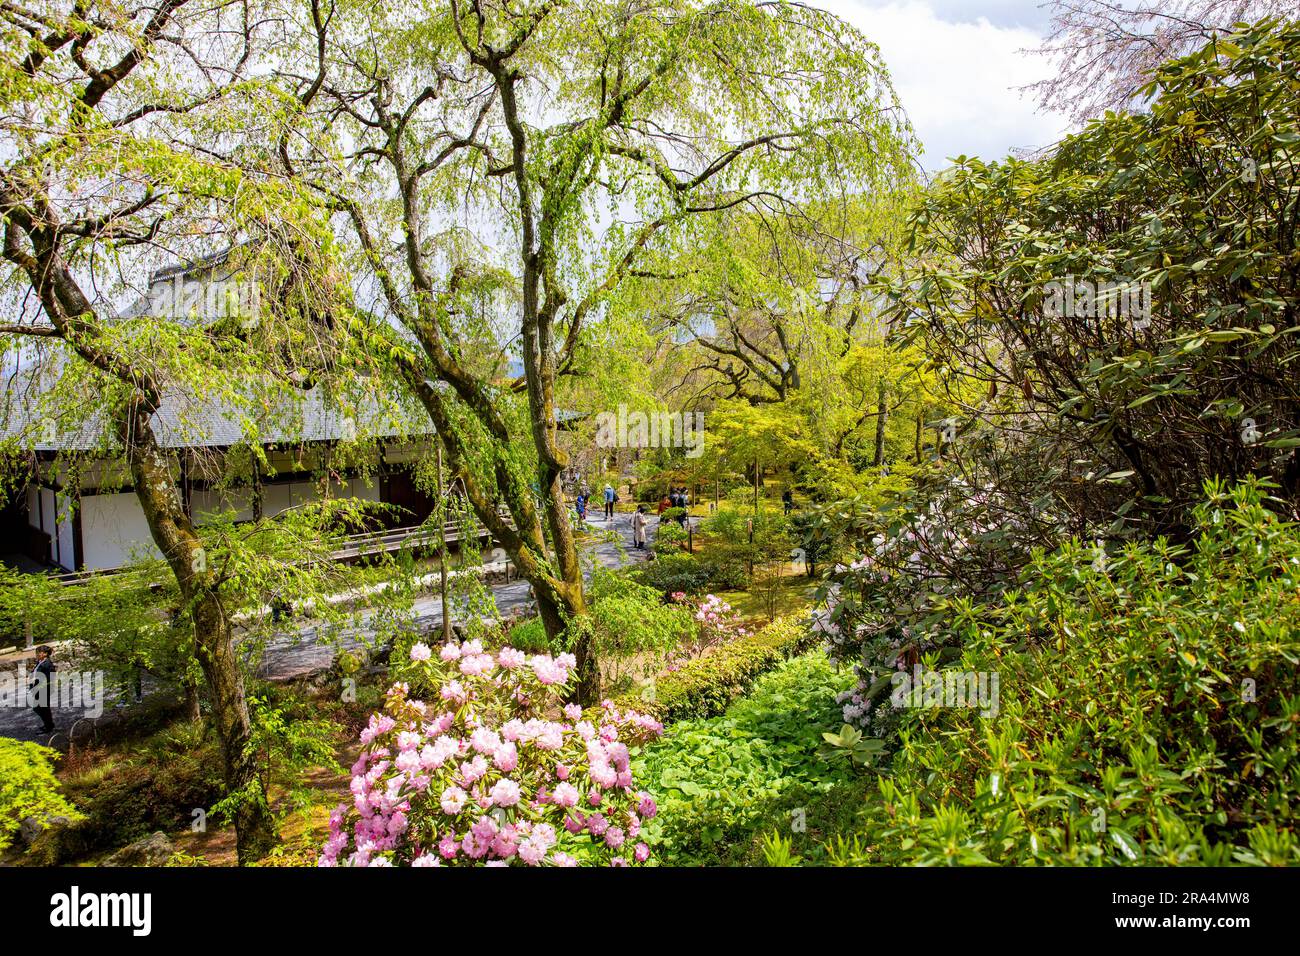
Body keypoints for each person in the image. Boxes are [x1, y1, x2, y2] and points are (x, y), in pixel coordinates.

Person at [30, 644, 55, 735]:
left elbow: (50, 678)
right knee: (39, 707)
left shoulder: (47, 664)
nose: (36, 654)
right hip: (37, 689)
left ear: (45, 653)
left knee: (42, 708)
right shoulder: (40, 662)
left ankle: (48, 726)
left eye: (38, 652)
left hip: (43, 689)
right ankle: (48, 724)